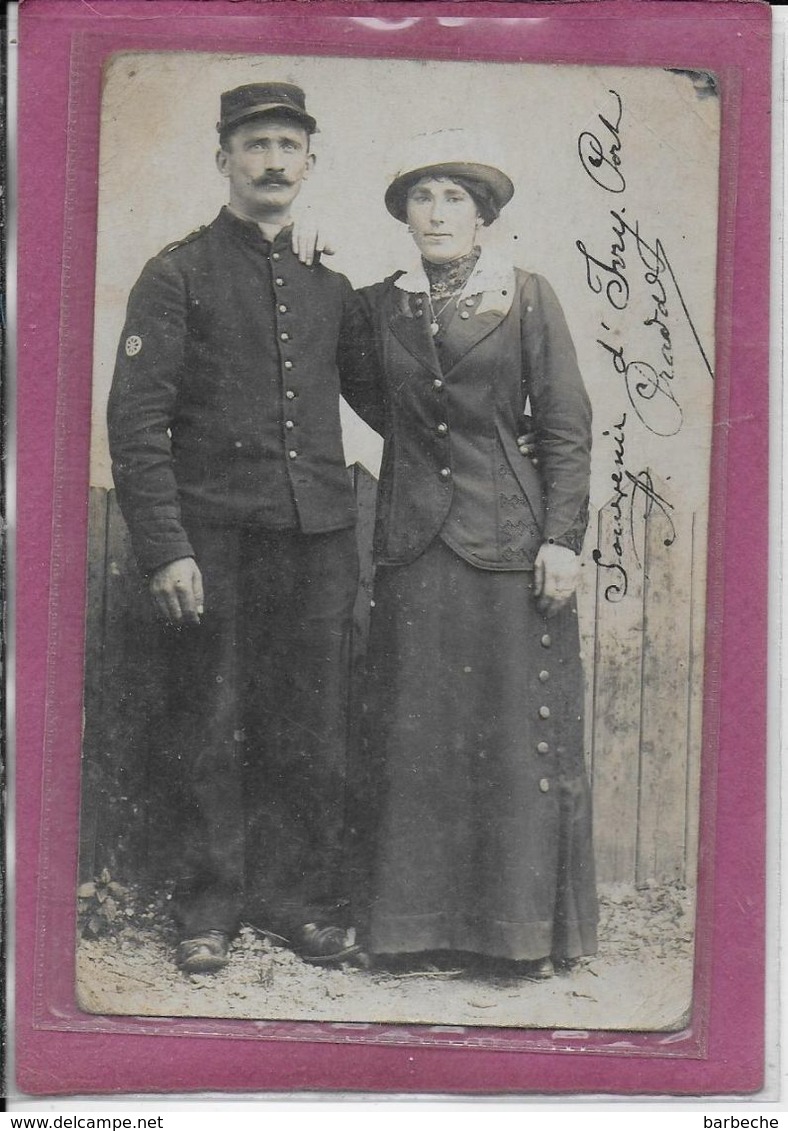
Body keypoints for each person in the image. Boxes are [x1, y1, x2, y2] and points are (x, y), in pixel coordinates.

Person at [107, 83, 378, 974]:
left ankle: (295, 899)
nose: (272, 162)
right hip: (215, 541)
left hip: (316, 539)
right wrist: (167, 547)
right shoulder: (177, 272)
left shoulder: (328, 280)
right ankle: (209, 907)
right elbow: (138, 424)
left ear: (311, 161)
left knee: (311, 727)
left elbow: (385, 391)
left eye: (288, 147)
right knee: (209, 721)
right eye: (255, 144)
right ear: (222, 157)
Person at [352, 132, 598, 976]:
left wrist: (562, 538)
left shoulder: (527, 296)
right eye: (423, 197)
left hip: (508, 545)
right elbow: (372, 393)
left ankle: (515, 938)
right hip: (414, 546)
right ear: (404, 217)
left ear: (484, 215)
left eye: (455, 197)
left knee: (506, 736)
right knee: (419, 739)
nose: (438, 211)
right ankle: (413, 930)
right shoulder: (377, 306)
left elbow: (565, 426)